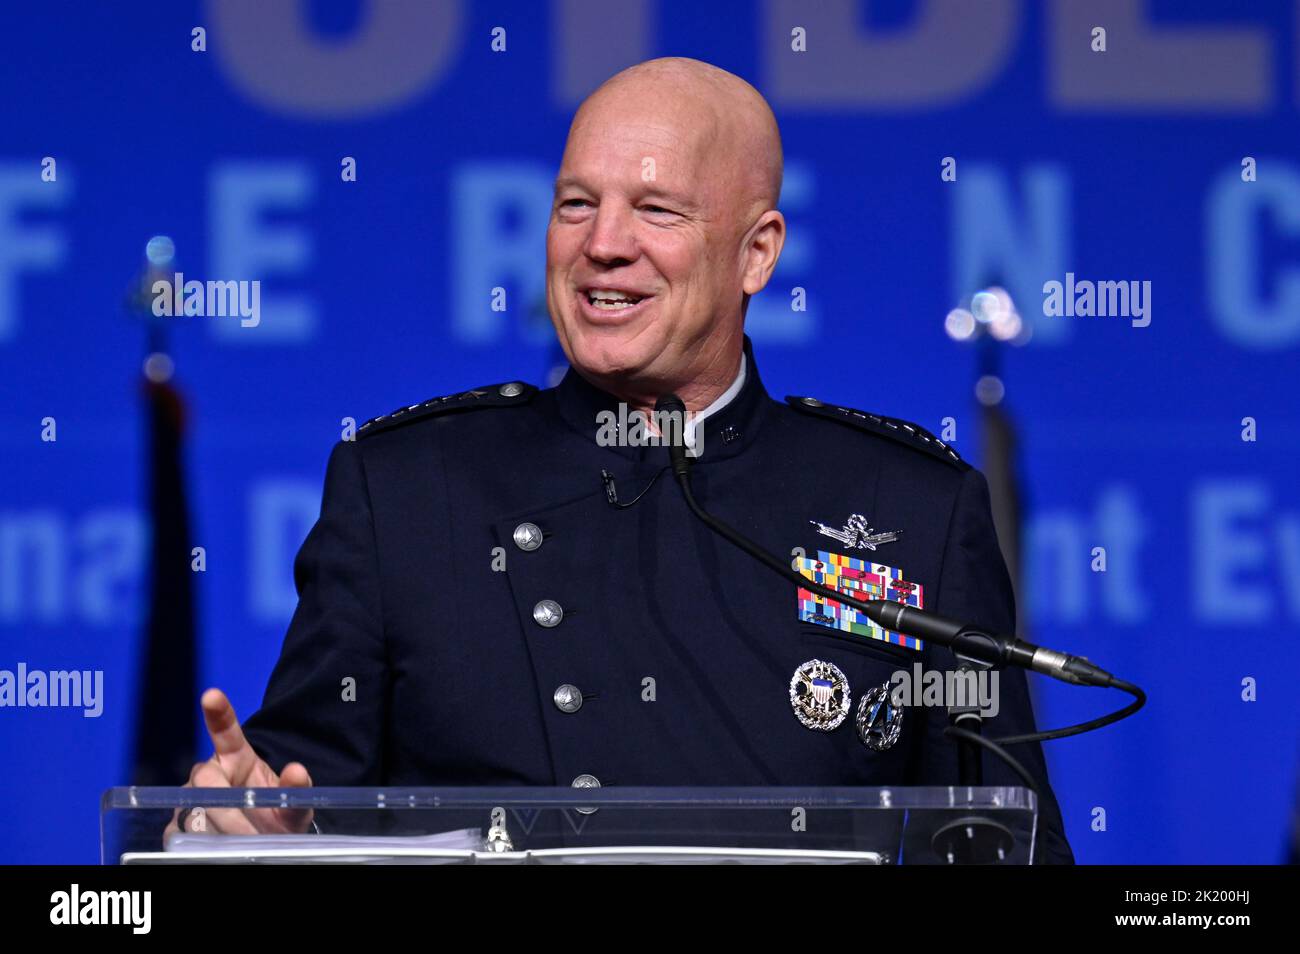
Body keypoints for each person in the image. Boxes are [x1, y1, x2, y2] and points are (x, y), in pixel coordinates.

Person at [167, 57, 1074, 863]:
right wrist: (247, 835)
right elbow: (291, 796)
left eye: (656, 210)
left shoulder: (910, 508)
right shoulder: (407, 489)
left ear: (756, 253)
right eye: (575, 204)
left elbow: (1004, 837)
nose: (603, 242)